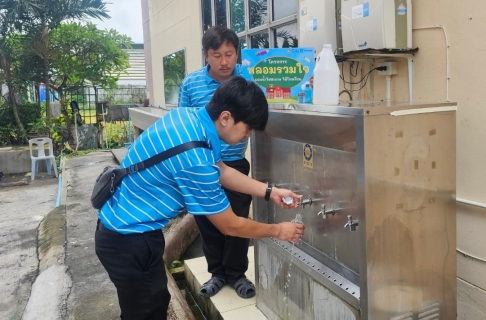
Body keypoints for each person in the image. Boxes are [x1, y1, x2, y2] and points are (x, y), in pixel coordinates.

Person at [95, 76, 305, 320]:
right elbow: (230, 225)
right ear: (226, 117)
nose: (248, 135)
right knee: (146, 312)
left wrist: (270, 191)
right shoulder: (194, 157)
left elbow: (222, 170)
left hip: (128, 228)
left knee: (155, 302)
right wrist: (279, 231)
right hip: (127, 240)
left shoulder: (188, 118)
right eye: (247, 128)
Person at [178, 26, 259, 299]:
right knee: (207, 223)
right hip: (201, 166)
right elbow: (184, 123)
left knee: (237, 222)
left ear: (238, 54)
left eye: (229, 54)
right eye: (217, 55)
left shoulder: (248, 80)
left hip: (234, 164)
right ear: (206, 56)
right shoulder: (191, 84)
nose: (224, 62)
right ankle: (217, 274)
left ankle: (236, 274)